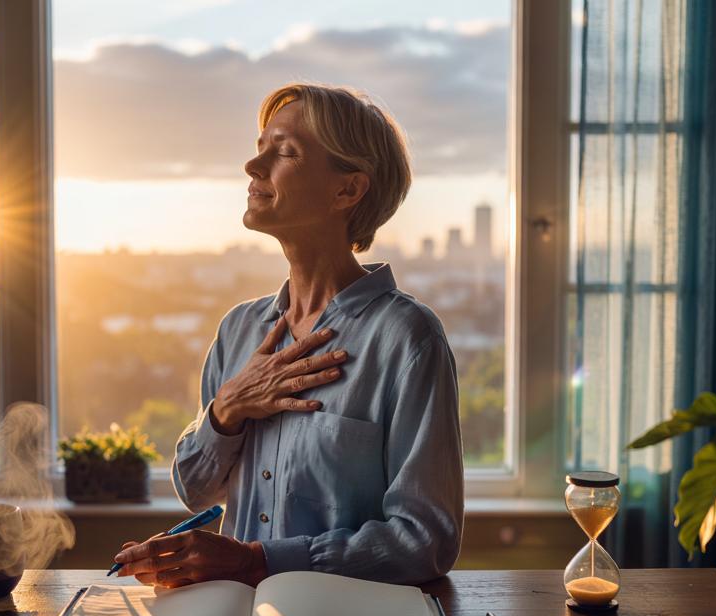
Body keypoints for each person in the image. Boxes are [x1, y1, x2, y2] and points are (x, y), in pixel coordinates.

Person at [113, 83, 463, 588]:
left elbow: (425, 542)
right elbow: (195, 490)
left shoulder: (407, 339)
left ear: (347, 190)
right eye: (260, 150)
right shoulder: (239, 329)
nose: (253, 169)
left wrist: (256, 561)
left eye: (285, 152)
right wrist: (227, 409)